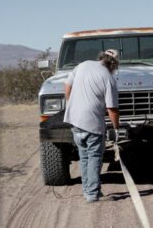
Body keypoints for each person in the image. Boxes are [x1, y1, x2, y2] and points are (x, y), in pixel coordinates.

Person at [63, 49, 120, 203]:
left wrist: (71, 104)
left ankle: (87, 191)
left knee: (84, 156)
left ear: (101, 57)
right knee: (94, 157)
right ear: (113, 63)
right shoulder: (108, 77)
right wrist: (116, 129)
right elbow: (112, 108)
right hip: (92, 123)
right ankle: (93, 194)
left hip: (75, 120)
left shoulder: (83, 65)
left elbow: (67, 85)